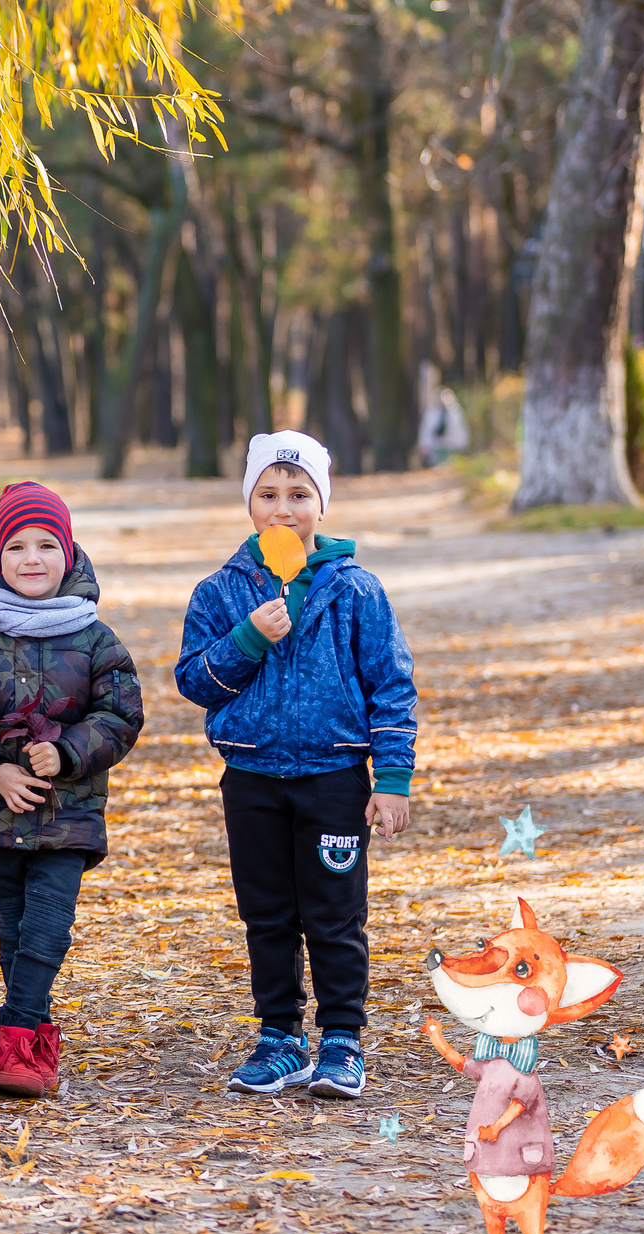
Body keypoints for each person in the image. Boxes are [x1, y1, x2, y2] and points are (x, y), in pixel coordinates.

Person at [176, 431, 416, 1100]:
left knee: (335, 912)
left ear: (321, 504)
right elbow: (195, 681)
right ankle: (279, 1038)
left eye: (299, 495)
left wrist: (391, 779)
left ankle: (341, 1039)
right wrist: (249, 637)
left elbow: (392, 685)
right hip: (252, 777)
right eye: (269, 494)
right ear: (249, 503)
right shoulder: (221, 591)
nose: (284, 510)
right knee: (268, 914)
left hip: (334, 777)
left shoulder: (356, 591)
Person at [0, 482, 144, 1098]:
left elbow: (121, 716)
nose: (32, 559)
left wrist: (66, 752)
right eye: (17, 547)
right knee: (12, 921)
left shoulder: (94, 638)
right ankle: (32, 1039)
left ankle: (16, 1030)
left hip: (68, 813)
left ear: (70, 553)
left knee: (50, 921)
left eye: (46, 546)